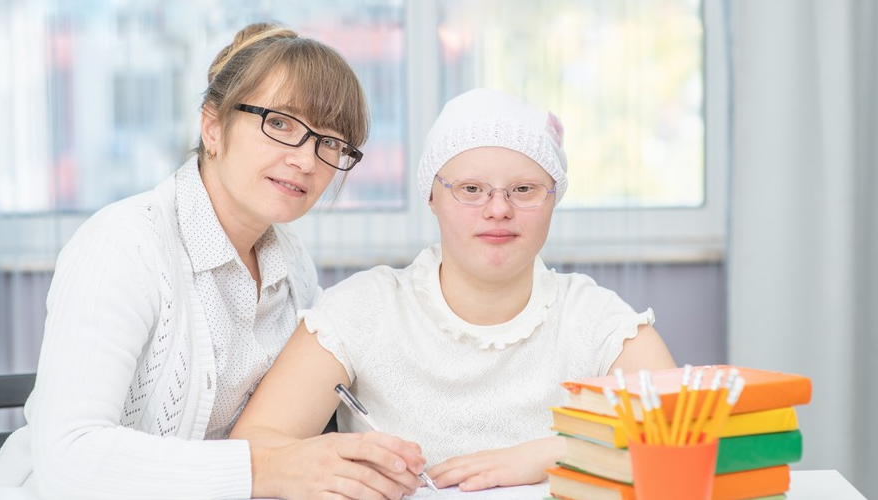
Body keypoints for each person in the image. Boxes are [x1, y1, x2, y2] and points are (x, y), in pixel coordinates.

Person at [0, 23, 429, 499]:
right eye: (280, 123)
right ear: (212, 127)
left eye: (331, 142)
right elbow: (69, 460)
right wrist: (265, 470)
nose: (307, 161)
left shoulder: (293, 265)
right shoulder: (124, 246)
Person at [230, 88, 679, 496]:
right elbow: (253, 447)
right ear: (432, 197)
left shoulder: (594, 319)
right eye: (470, 190)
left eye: (524, 190)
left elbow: (690, 432)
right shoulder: (365, 309)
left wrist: (549, 452)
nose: (499, 209)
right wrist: (334, 465)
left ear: (553, 199)